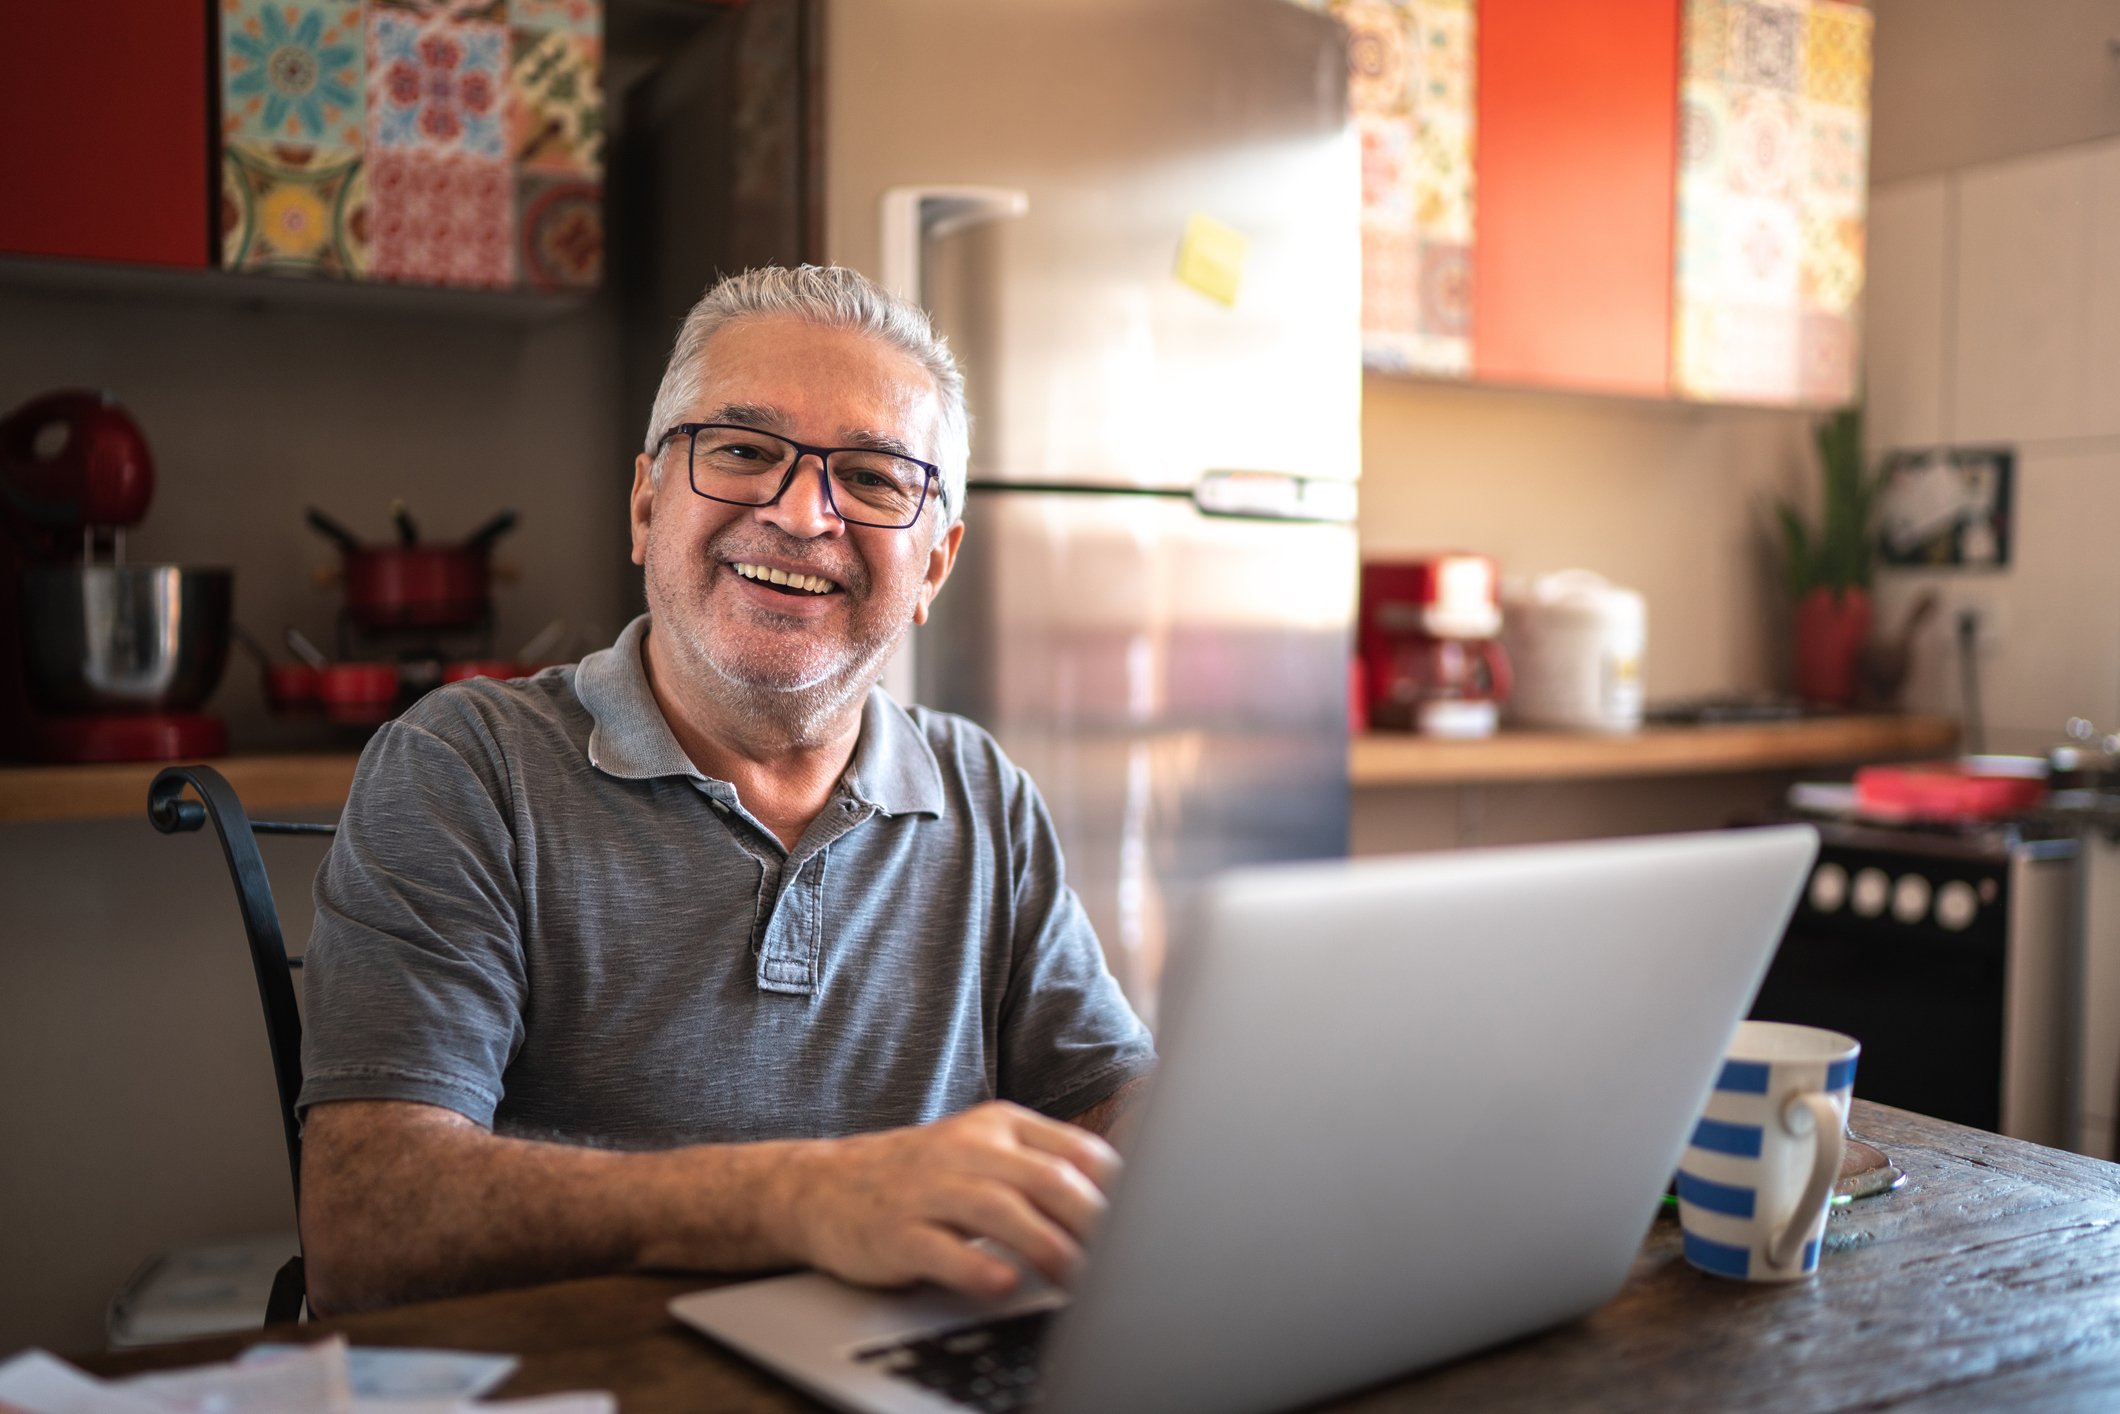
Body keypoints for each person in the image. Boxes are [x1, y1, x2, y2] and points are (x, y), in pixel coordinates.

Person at [295, 265, 1156, 1316]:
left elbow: (1106, 1110)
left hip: (903, 1368)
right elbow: (366, 1226)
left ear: (933, 565)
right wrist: (799, 1198)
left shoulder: (985, 795)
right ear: (646, 504)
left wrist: (1232, 1135)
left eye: (874, 478)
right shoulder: (464, 765)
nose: (801, 514)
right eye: (744, 451)